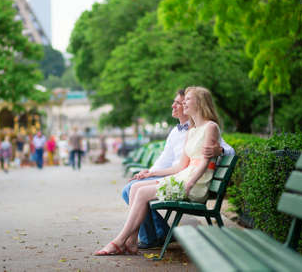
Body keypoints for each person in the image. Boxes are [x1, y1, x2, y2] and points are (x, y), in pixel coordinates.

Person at [94, 86, 230, 255]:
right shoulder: (190, 130)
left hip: (195, 183)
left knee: (140, 192)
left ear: (200, 103)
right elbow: (179, 166)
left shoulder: (210, 127)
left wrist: (195, 177)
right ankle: (132, 241)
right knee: (135, 187)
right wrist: (151, 173)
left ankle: (120, 241)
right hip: (183, 175)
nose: (181, 104)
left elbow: (207, 159)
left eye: (186, 100)